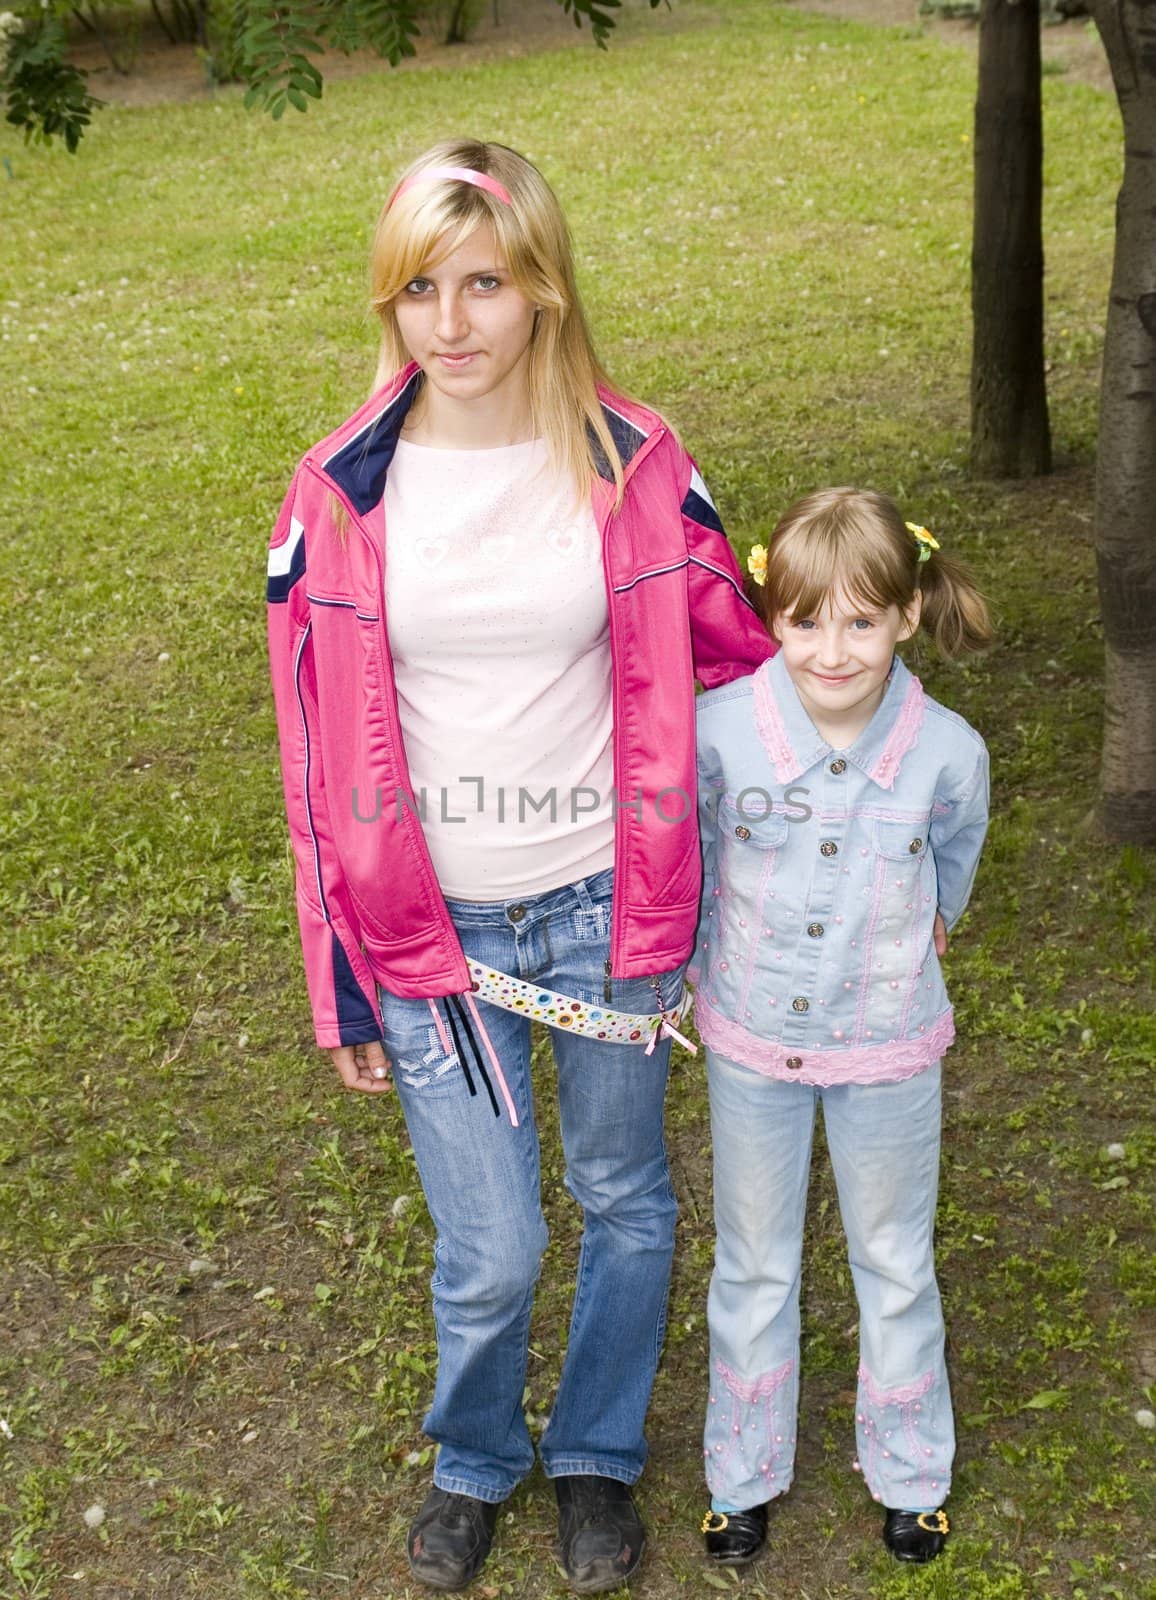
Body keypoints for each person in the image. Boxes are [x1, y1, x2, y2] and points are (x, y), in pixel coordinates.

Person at [265, 139, 772, 1593]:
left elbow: (743, 674)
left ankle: (597, 1453)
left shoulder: (640, 464)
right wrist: (341, 983)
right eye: (420, 287)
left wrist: (857, 812)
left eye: (485, 282)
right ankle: (478, 1456)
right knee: (490, 1249)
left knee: (624, 1194)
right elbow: (312, 768)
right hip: (432, 936)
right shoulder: (335, 493)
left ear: (544, 286)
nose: (453, 322)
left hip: (617, 904)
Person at [691, 488, 992, 1568]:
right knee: (754, 1261)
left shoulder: (948, 753)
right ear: (773, 616)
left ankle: (913, 1477)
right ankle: (740, 1475)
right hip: (752, 1044)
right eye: (806, 618)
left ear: (908, 616)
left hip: (887, 1048)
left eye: (861, 621)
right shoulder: (716, 733)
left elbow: (948, 866)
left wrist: (920, 931)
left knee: (894, 1260)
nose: (832, 649)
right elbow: (695, 867)